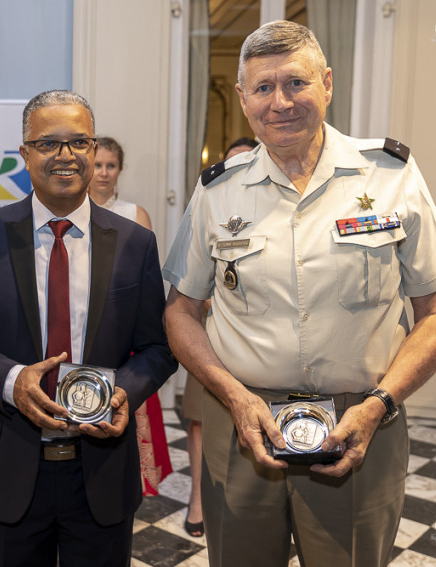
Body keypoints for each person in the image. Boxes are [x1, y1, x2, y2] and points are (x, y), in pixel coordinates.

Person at [163, 20, 436, 566]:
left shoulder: (389, 176)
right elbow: (181, 312)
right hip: (243, 425)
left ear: (326, 83)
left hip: (361, 426)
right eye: (263, 88)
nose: (280, 102)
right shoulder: (217, 191)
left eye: (296, 83)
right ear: (243, 98)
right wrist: (232, 395)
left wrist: (380, 403)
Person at [0, 90, 177, 567]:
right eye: (48, 144)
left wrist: (120, 392)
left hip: (102, 468)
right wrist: (10, 381)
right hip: (11, 467)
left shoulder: (135, 243)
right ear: (24, 154)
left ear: (93, 150)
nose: (65, 156)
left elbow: (157, 348)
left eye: (79, 142)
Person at [181, 136, 258, 538]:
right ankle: (197, 498)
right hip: (212, 342)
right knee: (198, 421)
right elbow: (188, 290)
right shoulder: (210, 202)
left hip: (262, 352)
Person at [88, 136, 171, 497]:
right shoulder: (71, 212)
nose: (104, 172)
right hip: (84, 327)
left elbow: (147, 281)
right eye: (99, 164)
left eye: (111, 165)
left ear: (119, 169)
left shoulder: (135, 215)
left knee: (127, 413)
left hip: (123, 328)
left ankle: (129, 487)